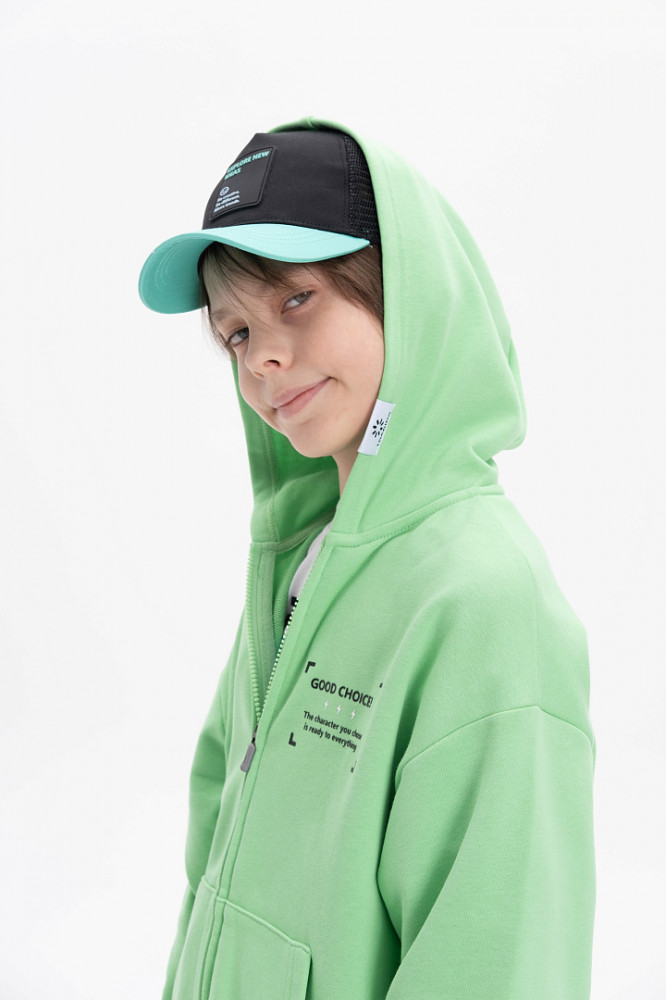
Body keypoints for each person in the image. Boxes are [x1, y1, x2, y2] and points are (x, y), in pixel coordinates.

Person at [138, 118, 596, 1000]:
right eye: (236, 332)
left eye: (296, 300)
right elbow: (212, 874)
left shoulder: (484, 598)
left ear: (404, 294)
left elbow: (495, 963)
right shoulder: (298, 568)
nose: (264, 356)